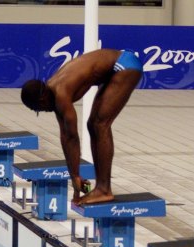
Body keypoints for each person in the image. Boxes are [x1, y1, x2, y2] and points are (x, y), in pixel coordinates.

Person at [21, 48, 142, 205]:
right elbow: (65, 136)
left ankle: (104, 190)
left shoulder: (61, 94)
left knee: (100, 125)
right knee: (93, 124)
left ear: (42, 99)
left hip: (124, 66)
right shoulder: (52, 93)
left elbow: (72, 137)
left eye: (38, 109)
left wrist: (76, 177)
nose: (43, 111)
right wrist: (75, 176)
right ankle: (101, 188)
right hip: (117, 66)